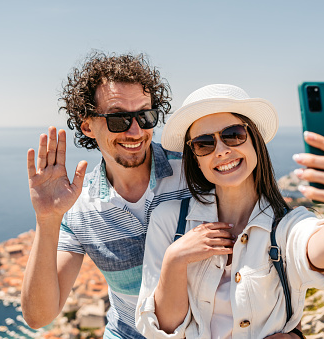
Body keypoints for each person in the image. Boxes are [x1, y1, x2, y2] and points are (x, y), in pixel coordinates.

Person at [22, 52, 304, 339]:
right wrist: (47, 219)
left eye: (145, 116)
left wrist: (294, 331)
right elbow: (39, 316)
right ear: (87, 126)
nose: (135, 131)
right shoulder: (77, 207)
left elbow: (270, 235)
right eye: (119, 118)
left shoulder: (201, 168)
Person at [136, 84, 324, 338]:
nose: (222, 150)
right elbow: (161, 330)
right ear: (196, 159)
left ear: (254, 138)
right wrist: (174, 260)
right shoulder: (169, 220)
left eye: (233, 134)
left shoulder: (286, 226)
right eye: (203, 144)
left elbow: (315, 248)